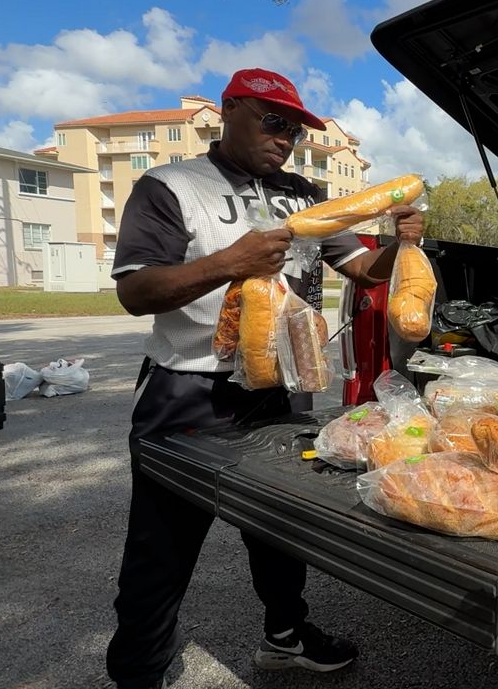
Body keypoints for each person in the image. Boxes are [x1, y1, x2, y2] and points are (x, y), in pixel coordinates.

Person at [106, 67, 426, 689]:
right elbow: (136, 290)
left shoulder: (306, 194)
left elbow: (362, 270)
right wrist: (230, 262)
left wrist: (396, 241)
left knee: (280, 529)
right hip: (189, 390)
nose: (286, 139)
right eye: (273, 122)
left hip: (281, 386)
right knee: (160, 548)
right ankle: (137, 674)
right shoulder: (171, 185)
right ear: (230, 112)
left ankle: (285, 638)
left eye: (296, 130)